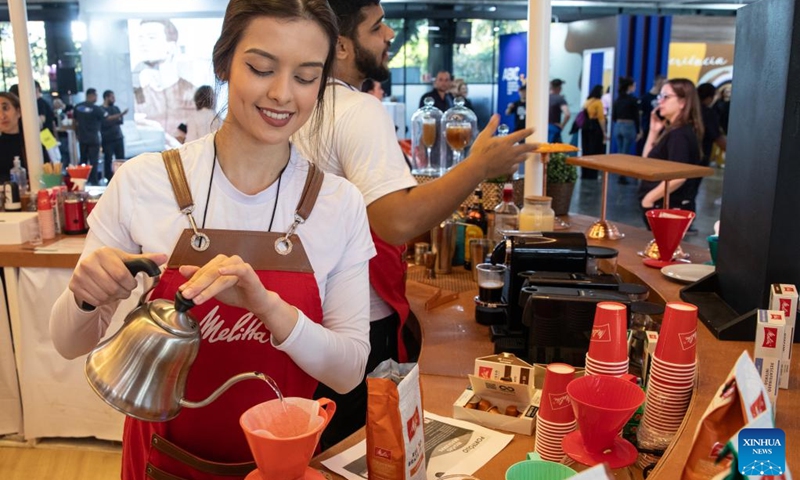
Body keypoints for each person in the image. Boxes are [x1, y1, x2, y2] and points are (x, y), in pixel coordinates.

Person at [49, 2, 373, 479]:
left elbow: (348, 371)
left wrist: (269, 308)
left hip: (281, 468)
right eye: (261, 68)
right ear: (224, 63)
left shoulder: (338, 202)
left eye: (306, 78)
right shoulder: (145, 182)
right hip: (161, 461)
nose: (283, 94)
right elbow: (67, 343)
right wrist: (85, 295)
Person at [293, 0, 536, 450]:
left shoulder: (301, 106)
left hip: (303, 318)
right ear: (342, 44)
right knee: (356, 451)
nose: (389, 36)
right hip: (359, 321)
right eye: (378, 27)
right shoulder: (357, 110)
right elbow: (397, 221)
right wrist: (479, 167)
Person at [639, 78, 704, 222]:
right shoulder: (673, 131)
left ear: (682, 102)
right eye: (659, 97)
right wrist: (653, 132)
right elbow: (646, 164)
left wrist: (648, 199)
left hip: (668, 208)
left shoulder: (679, 134)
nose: (659, 102)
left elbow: (679, 176)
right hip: (662, 205)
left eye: (666, 97)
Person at [132, 19, 196, 135]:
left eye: (151, 37)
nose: (143, 44)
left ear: (171, 47)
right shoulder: (138, 96)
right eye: (140, 38)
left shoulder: (191, 92)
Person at [74, 88, 108, 185]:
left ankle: (82, 182)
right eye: (96, 95)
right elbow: (106, 117)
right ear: (92, 95)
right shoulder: (96, 109)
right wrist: (120, 115)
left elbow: (74, 123)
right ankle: (94, 182)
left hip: (82, 138)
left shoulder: (78, 107)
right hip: (93, 139)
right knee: (94, 161)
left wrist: (77, 134)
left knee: (83, 160)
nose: (96, 98)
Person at [611, 77, 640, 184]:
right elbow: (636, 116)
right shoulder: (633, 100)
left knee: (620, 151)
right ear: (630, 86)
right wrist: (638, 130)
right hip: (629, 126)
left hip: (618, 125)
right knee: (625, 152)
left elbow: (614, 116)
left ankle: (620, 174)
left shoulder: (617, 99)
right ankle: (622, 175)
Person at [580, 84, 607, 179]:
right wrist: (604, 132)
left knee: (586, 149)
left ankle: (584, 173)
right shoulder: (598, 103)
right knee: (594, 150)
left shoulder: (587, 101)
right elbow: (601, 118)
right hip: (595, 128)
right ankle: (592, 174)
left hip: (585, 127)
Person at [100, 90, 128, 182]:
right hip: (107, 139)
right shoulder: (101, 109)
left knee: (120, 159)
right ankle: (109, 179)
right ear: (106, 98)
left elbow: (120, 121)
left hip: (118, 137)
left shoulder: (115, 108)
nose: (114, 99)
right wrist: (116, 117)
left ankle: (122, 178)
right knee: (108, 160)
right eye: (112, 97)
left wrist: (115, 118)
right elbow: (105, 121)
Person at [697, 83, 727, 165]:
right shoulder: (708, 113)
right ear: (710, 97)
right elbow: (717, 137)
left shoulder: (687, 110)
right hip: (700, 157)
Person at [638, 74, 665, 154]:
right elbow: (640, 114)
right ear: (659, 83)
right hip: (648, 127)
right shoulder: (645, 98)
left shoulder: (662, 98)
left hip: (661, 127)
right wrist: (640, 129)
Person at [547, 78, 570, 143]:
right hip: (554, 127)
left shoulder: (545, 98)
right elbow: (567, 114)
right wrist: (562, 125)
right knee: (555, 150)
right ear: (559, 88)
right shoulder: (560, 99)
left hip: (543, 127)